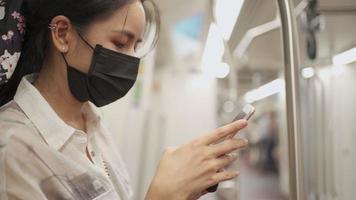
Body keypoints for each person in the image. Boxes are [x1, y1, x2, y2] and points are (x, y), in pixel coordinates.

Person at [0, 0, 249, 199]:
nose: (132, 60)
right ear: (63, 34)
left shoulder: (93, 124)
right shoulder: (11, 149)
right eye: (121, 43)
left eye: (135, 46)